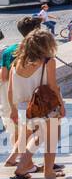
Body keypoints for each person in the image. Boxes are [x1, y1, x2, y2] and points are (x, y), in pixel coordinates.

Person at [8, 29, 64, 179]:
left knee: (37, 136)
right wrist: (62, 104)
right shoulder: (48, 62)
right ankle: (42, 170)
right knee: (47, 138)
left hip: (23, 107)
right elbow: (53, 86)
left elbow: (10, 90)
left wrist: (13, 109)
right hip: (44, 106)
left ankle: (24, 166)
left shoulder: (16, 63)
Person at [2, 15, 43, 167]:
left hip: (14, 97)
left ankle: (23, 161)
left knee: (20, 131)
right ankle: (25, 163)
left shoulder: (9, 51)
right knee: (39, 132)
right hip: (35, 98)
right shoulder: (41, 52)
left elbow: (4, 77)